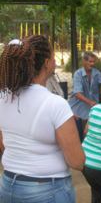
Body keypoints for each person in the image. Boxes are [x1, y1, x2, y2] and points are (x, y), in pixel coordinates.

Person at [0, 35, 85, 202]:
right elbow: (76, 161)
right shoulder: (55, 104)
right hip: (48, 190)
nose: (55, 61)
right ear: (47, 63)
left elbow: (2, 143)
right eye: (53, 57)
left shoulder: (3, 97)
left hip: (8, 185)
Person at [68, 51, 101, 141]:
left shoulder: (97, 73)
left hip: (91, 108)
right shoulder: (78, 74)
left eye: (93, 62)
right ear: (84, 62)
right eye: (90, 61)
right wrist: (91, 102)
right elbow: (77, 94)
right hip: (78, 108)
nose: (92, 64)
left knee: (89, 134)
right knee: (78, 135)